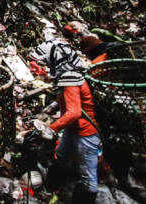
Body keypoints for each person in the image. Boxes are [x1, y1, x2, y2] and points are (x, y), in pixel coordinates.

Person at [29, 41, 101, 204]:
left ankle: (84, 199)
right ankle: (51, 189)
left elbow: (74, 112)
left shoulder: (70, 79)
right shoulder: (70, 75)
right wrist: (52, 108)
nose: (46, 65)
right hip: (72, 128)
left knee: (88, 175)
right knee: (62, 157)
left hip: (85, 132)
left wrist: (51, 128)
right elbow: (69, 100)